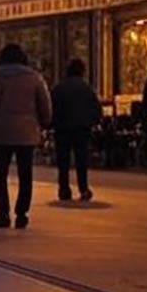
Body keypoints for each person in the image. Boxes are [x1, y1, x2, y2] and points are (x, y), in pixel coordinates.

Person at [0, 44, 52, 230]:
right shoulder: (35, 78)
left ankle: (3, 213)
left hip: (2, 130)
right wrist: (44, 123)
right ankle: (22, 212)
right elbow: (45, 105)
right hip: (27, 131)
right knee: (25, 173)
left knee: (1, 174)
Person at [51, 58, 101, 203]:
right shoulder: (86, 88)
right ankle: (83, 188)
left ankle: (64, 189)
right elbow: (95, 107)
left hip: (62, 127)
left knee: (63, 159)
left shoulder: (59, 88)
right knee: (81, 159)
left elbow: (52, 106)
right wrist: (93, 121)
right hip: (81, 127)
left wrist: (51, 123)